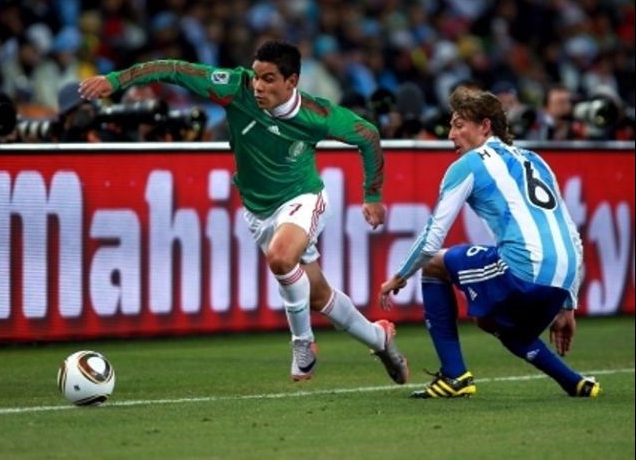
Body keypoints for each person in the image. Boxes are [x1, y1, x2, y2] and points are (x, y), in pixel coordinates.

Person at [79, 40, 409, 384]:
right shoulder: (235, 88)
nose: (258, 86)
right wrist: (116, 80)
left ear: (291, 81)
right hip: (258, 211)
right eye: (256, 77)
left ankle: (303, 346)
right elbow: (174, 69)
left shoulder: (317, 114)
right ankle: (379, 339)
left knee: (281, 259)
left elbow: (368, 136)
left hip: (303, 197)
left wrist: (372, 195)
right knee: (318, 296)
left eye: (268, 79)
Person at [379, 86, 600, 399]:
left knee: (433, 264)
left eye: (459, 125)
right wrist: (568, 304)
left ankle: (454, 377)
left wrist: (399, 277)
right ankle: (574, 382)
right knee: (491, 320)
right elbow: (572, 235)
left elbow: (432, 237)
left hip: (524, 272)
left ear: (484, 126)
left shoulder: (468, 165)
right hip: (562, 279)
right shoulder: (535, 160)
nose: (451, 135)